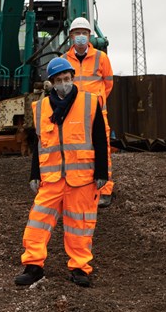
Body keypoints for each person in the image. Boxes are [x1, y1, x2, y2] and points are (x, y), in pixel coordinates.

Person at [15, 57, 108, 287]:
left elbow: (100, 139)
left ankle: (79, 269)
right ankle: (33, 267)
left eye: (67, 79)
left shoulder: (89, 102)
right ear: (52, 83)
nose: (64, 83)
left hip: (82, 179)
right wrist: (34, 174)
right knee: (37, 223)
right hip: (51, 179)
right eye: (59, 80)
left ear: (72, 78)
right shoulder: (42, 108)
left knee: (79, 226)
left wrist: (102, 173)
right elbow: (40, 145)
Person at [62, 17, 115, 208]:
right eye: (77, 33)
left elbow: (108, 84)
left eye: (84, 33)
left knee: (102, 150)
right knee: (75, 152)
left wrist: (97, 102)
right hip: (74, 114)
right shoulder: (63, 60)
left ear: (90, 36)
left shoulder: (101, 58)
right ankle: (78, 187)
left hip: (97, 113)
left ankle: (105, 191)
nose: (81, 37)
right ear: (71, 36)